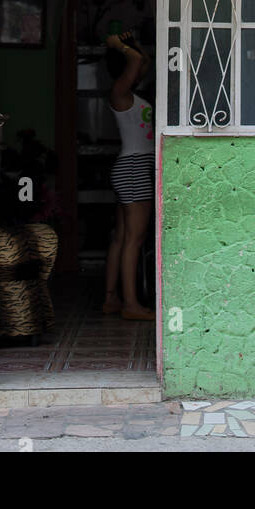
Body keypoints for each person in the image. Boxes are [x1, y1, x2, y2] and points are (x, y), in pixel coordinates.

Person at [102, 29, 155, 320]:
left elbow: (142, 61)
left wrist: (132, 43)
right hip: (134, 168)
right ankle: (131, 305)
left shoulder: (129, 92)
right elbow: (136, 61)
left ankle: (111, 298)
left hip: (131, 168)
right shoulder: (119, 93)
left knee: (122, 238)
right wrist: (116, 44)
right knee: (135, 238)